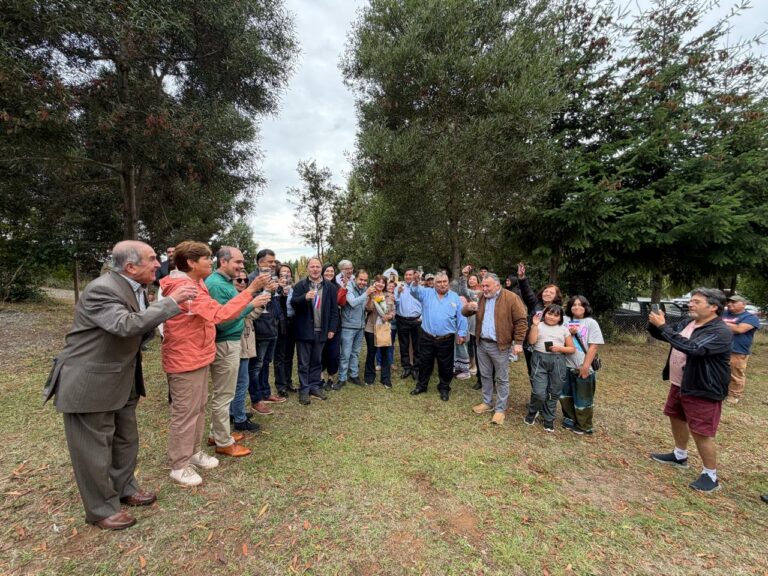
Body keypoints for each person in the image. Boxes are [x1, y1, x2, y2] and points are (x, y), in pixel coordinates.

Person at [43, 241, 197, 529]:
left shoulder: (135, 288)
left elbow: (141, 330)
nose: (158, 263)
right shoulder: (102, 289)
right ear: (130, 266)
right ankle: (101, 509)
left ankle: (125, 488)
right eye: (152, 259)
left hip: (120, 377)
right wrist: (171, 303)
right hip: (90, 382)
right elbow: (125, 325)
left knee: (126, 438)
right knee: (93, 449)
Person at [161, 242, 271, 485]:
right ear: (191, 262)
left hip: (199, 354)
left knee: (198, 408)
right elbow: (219, 314)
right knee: (185, 413)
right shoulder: (184, 287)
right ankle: (179, 465)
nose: (210, 262)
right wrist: (251, 290)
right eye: (206, 258)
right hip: (185, 357)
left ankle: (193, 452)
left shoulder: (197, 284)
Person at [648, 288, 732, 493]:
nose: (690, 304)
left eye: (696, 301)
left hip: (702, 388)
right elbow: (667, 336)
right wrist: (656, 324)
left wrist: (663, 327)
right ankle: (680, 455)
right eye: (691, 301)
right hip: (680, 383)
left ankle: (710, 475)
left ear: (713, 307)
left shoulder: (720, 331)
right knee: (676, 416)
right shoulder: (688, 322)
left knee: (701, 431)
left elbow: (694, 348)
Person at [206, 246, 273, 457]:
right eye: (238, 262)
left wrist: (251, 304)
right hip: (225, 343)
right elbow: (223, 321)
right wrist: (251, 297)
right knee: (224, 395)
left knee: (225, 393)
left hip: (232, 341)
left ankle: (217, 433)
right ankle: (224, 442)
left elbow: (233, 311)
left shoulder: (224, 282)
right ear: (223, 261)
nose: (241, 266)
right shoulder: (216, 285)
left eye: (242, 262)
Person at [463, 273, 528, 425]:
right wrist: (468, 307)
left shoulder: (511, 298)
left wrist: (518, 342)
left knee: (501, 378)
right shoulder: (480, 297)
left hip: (500, 345)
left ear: (497, 285)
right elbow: (465, 313)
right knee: (485, 375)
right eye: (483, 286)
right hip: (481, 343)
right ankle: (487, 402)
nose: (484, 289)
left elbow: (521, 321)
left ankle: (500, 409)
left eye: (488, 286)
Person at [408, 271, 468, 401]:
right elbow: (413, 291)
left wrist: (462, 334)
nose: (442, 284)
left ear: (448, 283)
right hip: (427, 337)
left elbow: (461, 316)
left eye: (444, 281)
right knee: (425, 363)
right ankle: (422, 385)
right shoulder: (426, 293)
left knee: (445, 365)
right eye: (439, 282)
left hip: (446, 338)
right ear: (434, 284)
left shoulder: (455, 297)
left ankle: (444, 388)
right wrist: (416, 282)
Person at [291, 257, 340, 405]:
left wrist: (332, 328)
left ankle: (314, 386)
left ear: (321, 269)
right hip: (304, 330)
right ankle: (304, 390)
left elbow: (334, 311)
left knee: (317, 361)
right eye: (312, 266)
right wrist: (304, 297)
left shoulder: (330, 287)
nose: (315, 269)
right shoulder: (300, 286)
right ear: (307, 269)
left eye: (318, 266)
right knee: (304, 363)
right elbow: (293, 303)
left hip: (322, 330)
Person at [524, 304, 575, 432]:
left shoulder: (564, 329)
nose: (552, 317)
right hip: (539, 359)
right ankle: (532, 412)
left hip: (557, 361)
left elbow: (572, 349)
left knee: (554, 392)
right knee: (539, 392)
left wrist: (560, 348)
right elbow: (531, 341)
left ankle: (549, 419)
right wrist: (534, 325)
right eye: (549, 313)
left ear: (560, 318)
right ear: (544, 314)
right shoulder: (539, 326)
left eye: (556, 315)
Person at [248, 249, 286, 415]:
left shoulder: (272, 277)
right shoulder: (252, 279)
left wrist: (280, 290)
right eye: (270, 261)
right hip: (260, 328)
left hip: (272, 326)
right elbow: (251, 300)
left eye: (274, 261)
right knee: (256, 365)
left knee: (265, 363)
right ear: (259, 262)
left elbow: (274, 300)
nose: (273, 264)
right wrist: (268, 290)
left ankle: (266, 393)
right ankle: (256, 399)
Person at [231, 270, 269, 432]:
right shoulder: (232, 297)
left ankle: (234, 412)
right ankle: (239, 419)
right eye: (238, 279)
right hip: (238, 344)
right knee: (241, 383)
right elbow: (240, 315)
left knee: (238, 382)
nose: (242, 282)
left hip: (244, 343)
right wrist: (254, 304)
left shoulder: (242, 296)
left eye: (245, 279)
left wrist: (260, 304)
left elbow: (251, 315)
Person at [561, 296, 604, 435]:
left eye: (580, 305)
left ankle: (584, 425)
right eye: (574, 304)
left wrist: (585, 366)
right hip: (565, 364)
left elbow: (593, 346)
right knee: (565, 395)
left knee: (583, 397)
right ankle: (569, 418)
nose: (577, 307)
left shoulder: (591, 323)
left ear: (586, 307)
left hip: (582, 365)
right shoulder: (564, 320)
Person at [517, 262, 563, 378]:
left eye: (551, 292)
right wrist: (522, 278)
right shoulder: (535, 304)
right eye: (545, 291)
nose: (547, 293)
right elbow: (527, 292)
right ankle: (536, 390)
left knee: (550, 373)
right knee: (533, 372)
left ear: (556, 296)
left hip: (550, 346)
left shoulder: (559, 310)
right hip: (531, 346)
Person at [722, 295, 760, 404]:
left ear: (744, 304)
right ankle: (720, 391)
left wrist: (719, 323)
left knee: (735, 374)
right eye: (729, 302)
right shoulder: (723, 313)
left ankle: (734, 395)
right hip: (720, 348)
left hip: (738, 350)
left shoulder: (750, 317)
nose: (730, 304)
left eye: (734, 302)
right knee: (720, 371)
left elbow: (739, 329)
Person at [338, 269, 371, 387]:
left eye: (365, 280)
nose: (363, 282)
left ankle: (354, 375)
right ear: (355, 278)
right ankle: (342, 378)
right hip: (348, 326)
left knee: (355, 353)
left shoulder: (364, 289)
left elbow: (364, 307)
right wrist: (366, 294)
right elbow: (352, 302)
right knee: (345, 354)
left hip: (360, 326)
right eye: (361, 279)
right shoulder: (349, 288)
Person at [364, 275, 396, 388]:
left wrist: (389, 316)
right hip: (371, 328)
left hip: (384, 328)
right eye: (378, 282)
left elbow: (393, 311)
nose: (380, 284)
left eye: (383, 282)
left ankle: (386, 379)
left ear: (385, 285)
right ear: (375, 283)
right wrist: (371, 298)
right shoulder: (370, 294)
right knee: (371, 353)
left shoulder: (389, 296)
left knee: (385, 353)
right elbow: (367, 309)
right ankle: (369, 378)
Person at [273, 263, 297, 396]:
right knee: (280, 355)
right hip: (280, 323)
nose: (286, 274)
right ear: (278, 275)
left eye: (288, 272)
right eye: (283, 272)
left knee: (289, 354)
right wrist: (281, 291)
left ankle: (288, 382)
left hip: (292, 322)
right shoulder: (275, 288)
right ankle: (280, 385)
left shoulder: (293, 288)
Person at [395, 268, 422, 380]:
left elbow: (425, 303)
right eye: (406, 275)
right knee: (403, 345)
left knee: (417, 345)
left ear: (414, 276)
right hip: (402, 319)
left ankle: (416, 368)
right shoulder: (399, 287)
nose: (408, 277)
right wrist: (398, 293)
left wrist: (422, 317)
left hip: (416, 320)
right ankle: (406, 367)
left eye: (410, 275)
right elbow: (395, 302)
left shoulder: (420, 288)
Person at [320, 263, 342, 390]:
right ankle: (321, 377)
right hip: (320, 324)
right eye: (327, 271)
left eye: (332, 271)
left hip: (335, 324)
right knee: (321, 352)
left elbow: (340, 305)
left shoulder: (337, 287)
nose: (329, 273)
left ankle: (331, 377)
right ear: (322, 272)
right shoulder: (318, 286)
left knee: (333, 353)